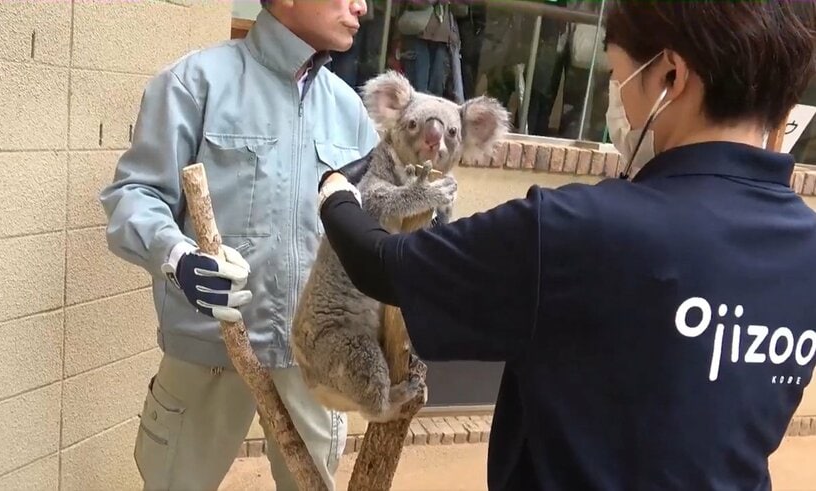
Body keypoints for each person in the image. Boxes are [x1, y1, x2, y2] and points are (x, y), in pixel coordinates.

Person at [315, 1, 816, 489]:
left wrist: (337, 194)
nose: (611, 98)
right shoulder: (806, 248)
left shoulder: (575, 230)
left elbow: (382, 265)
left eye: (616, 75)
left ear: (669, 75)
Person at [98, 0, 379, 489]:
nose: (362, 7)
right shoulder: (195, 83)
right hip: (209, 349)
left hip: (312, 356)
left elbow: (367, 223)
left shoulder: (348, 110)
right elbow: (134, 194)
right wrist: (178, 257)